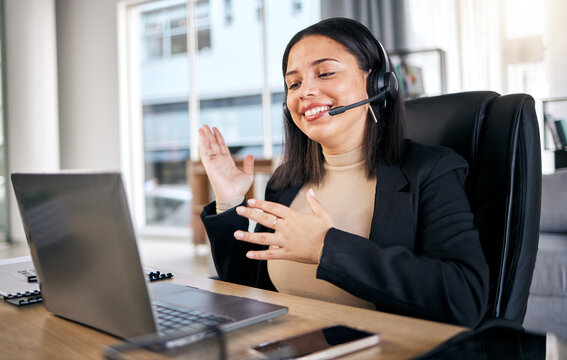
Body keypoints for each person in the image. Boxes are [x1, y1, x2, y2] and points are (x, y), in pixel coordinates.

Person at [198, 17, 489, 327]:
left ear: (377, 83)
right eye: (293, 83)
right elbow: (247, 289)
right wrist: (230, 201)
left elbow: (464, 298)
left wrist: (326, 247)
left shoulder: (431, 170)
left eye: (325, 73)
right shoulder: (286, 181)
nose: (304, 92)